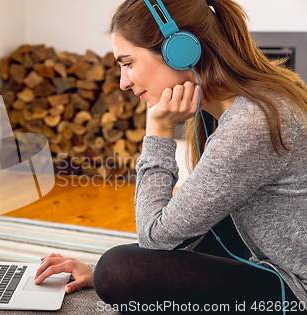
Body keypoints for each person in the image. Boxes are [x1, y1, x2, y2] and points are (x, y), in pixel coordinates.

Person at [34, 0, 307, 313]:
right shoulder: (247, 103)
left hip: (297, 290)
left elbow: (155, 239)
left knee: (115, 269)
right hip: (270, 257)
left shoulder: (251, 123)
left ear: (180, 51)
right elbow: (181, 228)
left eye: (128, 63)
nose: (124, 82)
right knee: (149, 249)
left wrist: (159, 128)